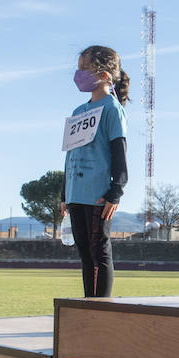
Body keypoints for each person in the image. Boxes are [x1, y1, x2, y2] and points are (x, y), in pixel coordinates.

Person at [60, 45, 129, 298]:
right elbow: (70, 155)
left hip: (98, 194)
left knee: (98, 251)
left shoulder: (112, 110)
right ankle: (88, 304)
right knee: (84, 255)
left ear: (104, 74)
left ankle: (101, 309)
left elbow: (119, 153)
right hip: (76, 194)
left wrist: (115, 192)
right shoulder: (78, 112)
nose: (79, 74)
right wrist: (63, 194)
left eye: (84, 68)